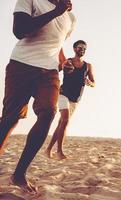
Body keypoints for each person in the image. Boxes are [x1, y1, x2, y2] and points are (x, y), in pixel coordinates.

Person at [0, 0, 75, 194]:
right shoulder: (30, 0)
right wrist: (56, 12)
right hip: (21, 65)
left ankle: (19, 174)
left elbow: (56, 43)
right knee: (10, 120)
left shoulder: (70, 17)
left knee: (49, 112)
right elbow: (20, 30)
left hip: (49, 72)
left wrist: (63, 61)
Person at [45, 40, 95, 160]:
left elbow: (94, 83)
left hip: (76, 98)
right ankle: (59, 151)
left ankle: (48, 149)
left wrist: (89, 83)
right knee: (65, 120)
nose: (82, 50)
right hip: (63, 94)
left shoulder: (88, 66)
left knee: (62, 123)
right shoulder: (68, 62)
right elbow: (55, 71)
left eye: (84, 48)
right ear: (74, 49)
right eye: (80, 47)